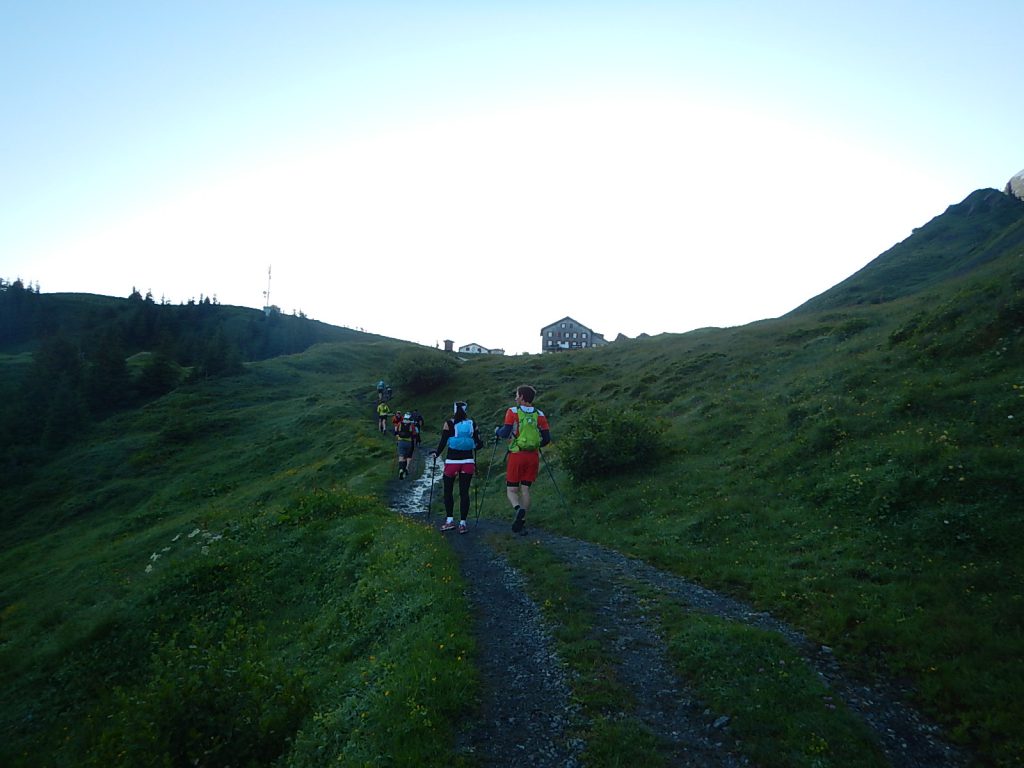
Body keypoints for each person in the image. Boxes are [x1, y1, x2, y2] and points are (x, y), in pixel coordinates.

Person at [495, 385, 551, 533]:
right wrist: (536, 444)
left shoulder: (512, 412)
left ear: (522, 397)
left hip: (517, 455)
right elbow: (547, 438)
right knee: (525, 489)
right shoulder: (539, 414)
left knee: (512, 489)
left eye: (517, 395)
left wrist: (497, 431)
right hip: (533, 456)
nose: (515, 398)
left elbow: (505, 432)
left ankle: (518, 509)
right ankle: (523, 519)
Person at [431, 401, 483, 533]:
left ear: (454, 410)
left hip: (452, 462)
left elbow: (443, 441)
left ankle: (449, 521)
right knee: (464, 492)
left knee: (448, 491)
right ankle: (463, 523)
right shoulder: (472, 424)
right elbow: (479, 443)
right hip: (468, 461)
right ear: (466, 410)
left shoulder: (449, 423)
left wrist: (436, 454)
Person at [395, 411, 418, 479]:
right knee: (406, 456)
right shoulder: (411, 425)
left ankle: (401, 469)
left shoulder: (400, 423)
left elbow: (396, 432)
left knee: (401, 456)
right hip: (409, 442)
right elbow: (414, 434)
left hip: (401, 441)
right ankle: (405, 469)